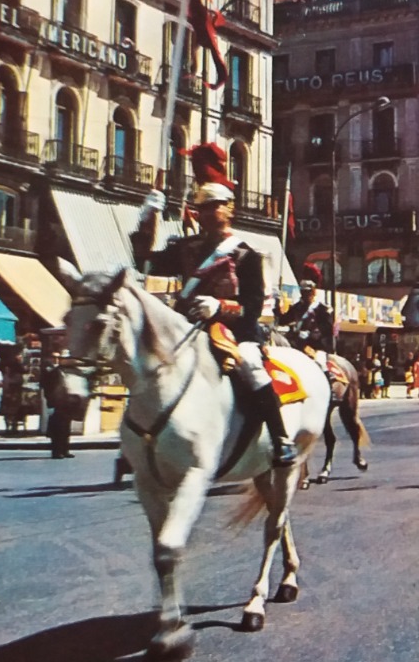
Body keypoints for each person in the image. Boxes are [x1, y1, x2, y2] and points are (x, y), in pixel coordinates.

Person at [130, 143, 297, 466]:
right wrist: (148, 215)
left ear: (229, 209)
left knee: (251, 367)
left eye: (214, 206)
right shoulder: (185, 248)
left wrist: (219, 307)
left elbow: (251, 305)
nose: (207, 213)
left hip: (235, 333)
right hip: (189, 328)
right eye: (202, 208)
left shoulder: (245, 255)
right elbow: (143, 262)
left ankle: (280, 439)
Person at [278, 264, 337, 371]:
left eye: (308, 292)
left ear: (314, 291)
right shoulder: (297, 307)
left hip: (316, 347)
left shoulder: (323, 309)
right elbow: (283, 321)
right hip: (298, 344)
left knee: (320, 363)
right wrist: (277, 309)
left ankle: (328, 383)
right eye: (303, 292)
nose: (305, 295)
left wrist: (311, 334)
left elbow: (327, 329)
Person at [41, 359, 75, 459]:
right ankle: (56, 451)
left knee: (66, 428)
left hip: (66, 401)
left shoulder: (65, 371)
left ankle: (65, 449)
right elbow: (46, 384)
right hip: (56, 402)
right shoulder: (49, 370)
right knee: (57, 429)